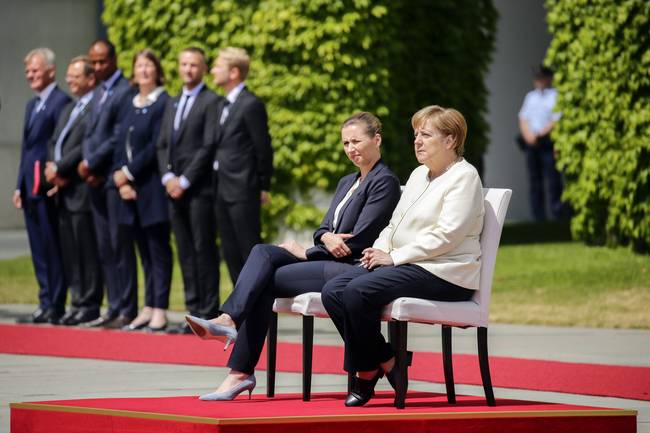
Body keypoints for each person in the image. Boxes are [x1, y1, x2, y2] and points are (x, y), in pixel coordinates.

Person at [186, 112, 401, 401]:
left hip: (352, 268)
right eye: (345, 143)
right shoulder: (346, 181)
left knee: (264, 281)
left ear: (377, 139)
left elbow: (359, 239)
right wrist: (325, 238)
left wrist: (308, 251)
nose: (351, 149)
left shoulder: (384, 181)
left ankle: (238, 368)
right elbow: (323, 229)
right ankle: (229, 328)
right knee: (262, 252)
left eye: (357, 141)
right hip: (328, 259)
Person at [321, 105, 485, 407]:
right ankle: (384, 360)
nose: (417, 141)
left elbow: (447, 236)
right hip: (408, 263)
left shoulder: (465, 177)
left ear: (450, 140)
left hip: (444, 272)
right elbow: (394, 224)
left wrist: (394, 258)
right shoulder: (419, 174)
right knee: (333, 291)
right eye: (415, 135)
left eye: (426, 135)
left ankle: (367, 374)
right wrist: (380, 249)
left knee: (357, 291)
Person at [157, 47, 223, 334]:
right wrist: (168, 177)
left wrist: (184, 181)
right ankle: (192, 311)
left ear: (203, 69)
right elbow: (162, 144)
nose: (188, 69)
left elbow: (209, 145)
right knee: (184, 251)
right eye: (183, 64)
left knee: (202, 250)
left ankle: (207, 313)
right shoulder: (172, 102)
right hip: (173, 189)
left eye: (194, 65)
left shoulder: (212, 101)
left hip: (198, 190)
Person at [112, 49, 173, 332]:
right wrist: (122, 180)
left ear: (157, 70)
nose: (144, 70)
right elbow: (119, 142)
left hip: (151, 189)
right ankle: (147, 306)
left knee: (158, 250)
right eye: (139, 65)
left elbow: (154, 146)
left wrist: (128, 173)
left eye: (149, 65)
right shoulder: (130, 102)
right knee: (142, 253)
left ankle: (160, 307)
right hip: (130, 191)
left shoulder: (163, 102)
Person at [79, 39, 136, 328]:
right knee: (104, 246)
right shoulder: (99, 90)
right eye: (94, 62)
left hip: (111, 178)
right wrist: (87, 163)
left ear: (113, 60)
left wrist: (93, 164)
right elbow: (90, 134)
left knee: (119, 245)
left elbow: (117, 136)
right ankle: (113, 306)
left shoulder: (125, 90)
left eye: (102, 61)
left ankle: (127, 307)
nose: (97, 66)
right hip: (95, 180)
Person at [44, 55, 102, 326]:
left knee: (85, 249)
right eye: (69, 75)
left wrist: (61, 169)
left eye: (76, 76)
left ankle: (89, 303)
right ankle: (77, 301)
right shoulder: (70, 107)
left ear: (90, 79)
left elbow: (83, 147)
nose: (69, 80)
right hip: (63, 191)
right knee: (70, 250)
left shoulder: (95, 107)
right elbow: (55, 140)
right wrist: (51, 169)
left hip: (80, 189)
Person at [13, 48, 71, 324]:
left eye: (35, 70)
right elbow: (27, 148)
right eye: (28, 71)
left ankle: (56, 303)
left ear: (50, 70)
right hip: (29, 186)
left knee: (52, 246)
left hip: (47, 185)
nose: (30, 75)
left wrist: (57, 177)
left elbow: (58, 143)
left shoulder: (61, 101)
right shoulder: (31, 105)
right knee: (37, 247)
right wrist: (18, 186)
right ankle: (44, 300)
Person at [210, 47, 273, 284]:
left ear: (234, 72)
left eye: (218, 66)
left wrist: (263, 185)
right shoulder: (220, 104)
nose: (213, 70)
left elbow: (263, 148)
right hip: (221, 189)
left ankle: (260, 313)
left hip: (243, 188)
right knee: (230, 252)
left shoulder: (250, 104)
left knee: (249, 251)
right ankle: (240, 310)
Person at [518, 65, 563, 221]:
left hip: (547, 142)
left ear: (548, 78)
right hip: (532, 143)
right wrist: (528, 135)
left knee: (553, 180)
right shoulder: (530, 96)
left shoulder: (555, 95)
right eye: (536, 77)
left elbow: (556, 119)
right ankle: (538, 216)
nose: (538, 80)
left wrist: (539, 134)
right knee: (534, 180)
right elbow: (523, 118)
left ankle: (557, 214)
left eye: (541, 77)